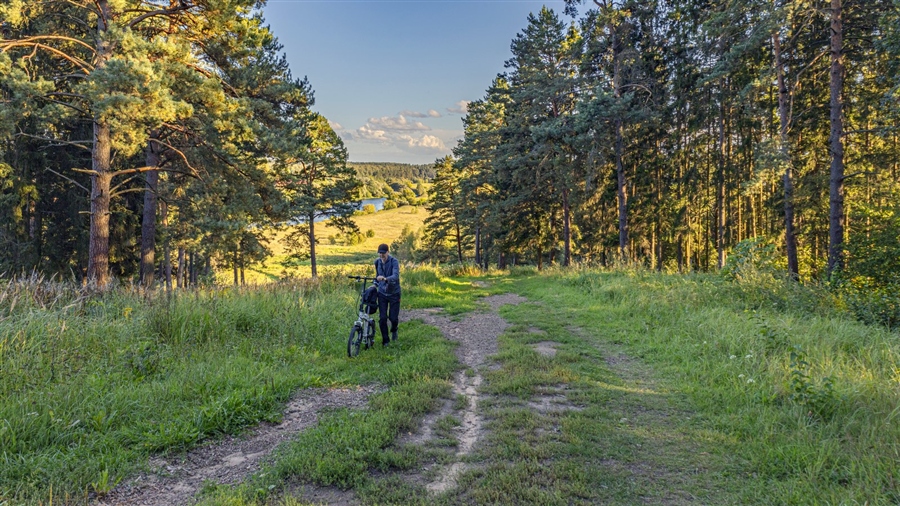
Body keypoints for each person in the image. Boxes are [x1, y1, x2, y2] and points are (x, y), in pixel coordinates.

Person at [374, 243, 401, 347]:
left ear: (388, 252)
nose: (381, 255)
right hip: (382, 293)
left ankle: (394, 329)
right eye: (380, 253)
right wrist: (375, 284)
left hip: (394, 293)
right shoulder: (377, 262)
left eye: (383, 253)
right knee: (382, 318)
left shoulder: (394, 262)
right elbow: (377, 276)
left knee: (393, 318)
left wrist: (386, 279)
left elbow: (395, 275)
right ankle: (385, 341)